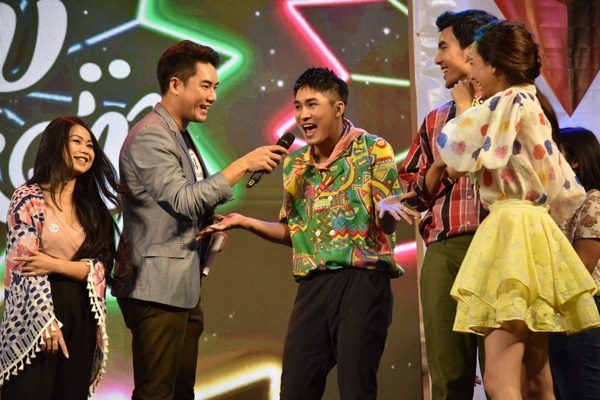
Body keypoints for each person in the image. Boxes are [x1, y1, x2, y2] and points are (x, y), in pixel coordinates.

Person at [200, 67, 419, 400]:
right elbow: (296, 232)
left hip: (362, 282)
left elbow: (387, 223)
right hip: (313, 286)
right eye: (298, 106)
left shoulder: (374, 149)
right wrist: (245, 222)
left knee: (356, 388)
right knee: (295, 389)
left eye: (312, 104)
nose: (303, 115)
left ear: (338, 108)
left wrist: (387, 216)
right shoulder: (296, 164)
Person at [112, 40, 288, 400]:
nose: (212, 96)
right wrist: (244, 164)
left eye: (216, 87)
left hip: (181, 286)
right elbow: (182, 200)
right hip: (156, 287)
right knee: (156, 393)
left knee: (180, 392)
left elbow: (181, 206)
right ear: (176, 84)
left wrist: (211, 224)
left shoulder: (179, 134)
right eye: (205, 86)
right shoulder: (151, 135)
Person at [436, 20, 600, 399]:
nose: (471, 74)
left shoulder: (508, 101)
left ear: (494, 65)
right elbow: (561, 186)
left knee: (500, 381)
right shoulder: (531, 102)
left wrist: (464, 105)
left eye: (475, 63)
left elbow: (455, 154)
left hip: (511, 230)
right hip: (535, 229)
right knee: (536, 379)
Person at [398, 9, 498, 400]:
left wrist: (469, 113)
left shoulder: (507, 109)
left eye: (444, 47)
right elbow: (413, 192)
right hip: (444, 248)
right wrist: (439, 164)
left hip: (498, 243)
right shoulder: (434, 121)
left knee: (503, 375)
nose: (438, 58)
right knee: (448, 375)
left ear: (472, 50)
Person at [0, 116, 120, 399]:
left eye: (90, 145)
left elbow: (102, 268)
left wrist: (55, 264)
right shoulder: (28, 198)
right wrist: (45, 320)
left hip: (82, 313)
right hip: (35, 316)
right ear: (56, 146)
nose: (85, 150)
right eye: (77, 141)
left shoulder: (93, 210)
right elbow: (25, 265)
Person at [548, 127, 600, 400]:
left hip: (586, 307)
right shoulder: (556, 205)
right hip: (560, 308)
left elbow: (583, 264)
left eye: (555, 151)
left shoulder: (593, 200)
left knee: (584, 390)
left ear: (575, 160)